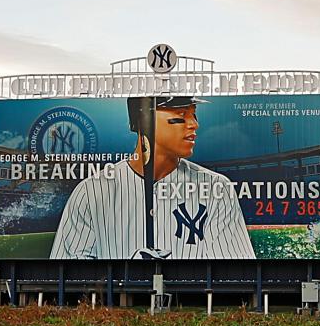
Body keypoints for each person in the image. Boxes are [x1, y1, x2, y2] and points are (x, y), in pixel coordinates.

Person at [51, 96, 255, 260]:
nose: (193, 124)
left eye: (194, 115)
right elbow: (66, 276)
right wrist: (130, 277)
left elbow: (235, 273)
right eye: (181, 115)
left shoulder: (216, 188)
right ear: (144, 121)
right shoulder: (92, 191)